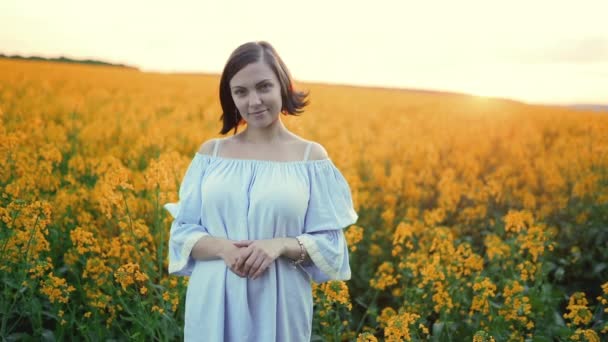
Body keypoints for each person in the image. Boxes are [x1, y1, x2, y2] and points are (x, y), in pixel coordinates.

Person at [164, 41, 359, 342]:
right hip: (212, 301)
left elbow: (332, 246)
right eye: (241, 91)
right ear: (230, 97)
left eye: (263, 86)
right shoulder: (211, 154)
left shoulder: (311, 158)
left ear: (282, 85)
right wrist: (223, 248)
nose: (254, 101)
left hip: (280, 304)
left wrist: (280, 244)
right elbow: (182, 234)